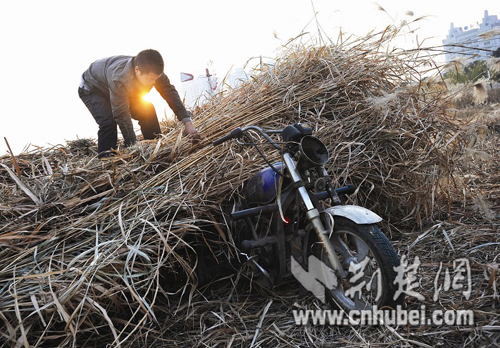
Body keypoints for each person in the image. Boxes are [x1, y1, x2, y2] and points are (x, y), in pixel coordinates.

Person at [78, 49, 199, 158]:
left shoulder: (154, 72)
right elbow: (121, 114)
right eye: (150, 79)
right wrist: (133, 148)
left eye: (155, 79)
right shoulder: (120, 78)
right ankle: (106, 159)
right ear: (137, 70)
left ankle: (155, 146)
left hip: (118, 88)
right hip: (92, 88)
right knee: (109, 122)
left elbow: (169, 92)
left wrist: (187, 122)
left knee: (147, 109)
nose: (153, 82)